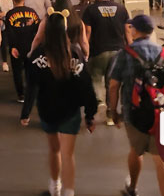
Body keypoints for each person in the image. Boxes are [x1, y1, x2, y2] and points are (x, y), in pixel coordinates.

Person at [21, 10, 97, 196]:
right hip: (70, 111)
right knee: (68, 154)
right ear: (65, 30)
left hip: (47, 110)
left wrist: (26, 112)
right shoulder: (75, 53)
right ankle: (68, 192)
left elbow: (31, 87)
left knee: (54, 150)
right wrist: (90, 114)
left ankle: (55, 186)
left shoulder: (37, 56)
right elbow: (86, 86)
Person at [109, 15, 164, 196]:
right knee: (161, 159)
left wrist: (113, 111)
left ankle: (132, 187)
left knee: (136, 150)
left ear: (135, 30)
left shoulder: (125, 53)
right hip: (162, 111)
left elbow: (113, 85)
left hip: (134, 112)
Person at [81, 0, 130, 125]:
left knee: (95, 77)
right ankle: (110, 116)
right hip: (118, 52)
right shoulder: (121, 9)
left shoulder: (91, 9)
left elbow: (88, 32)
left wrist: (86, 50)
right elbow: (127, 31)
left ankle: (99, 101)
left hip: (98, 51)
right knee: (112, 84)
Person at [4, 0, 40, 103]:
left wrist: (12, 46)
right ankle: (31, 91)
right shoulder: (32, 12)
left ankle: (21, 94)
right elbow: (38, 30)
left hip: (17, 47)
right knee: (31, 70)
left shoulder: (10, 14)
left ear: (12, 0)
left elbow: (9, 32)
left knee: (17, 71)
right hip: (31, 46)